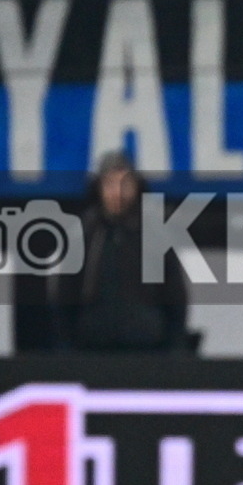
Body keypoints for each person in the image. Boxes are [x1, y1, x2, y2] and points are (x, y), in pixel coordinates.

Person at [51, 152, 191, 354]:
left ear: (136, 187)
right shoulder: (85, 234)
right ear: (98, 188)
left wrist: (174, 349)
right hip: (92, 353)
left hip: (147, 353)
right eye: (110, 184)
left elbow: (175, 298)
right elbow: (64, 298)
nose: (118, 192)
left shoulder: (155, 235)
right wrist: (67, 350)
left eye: (125, 184)